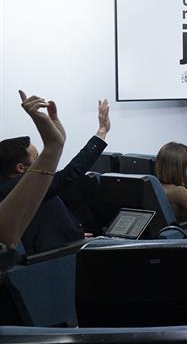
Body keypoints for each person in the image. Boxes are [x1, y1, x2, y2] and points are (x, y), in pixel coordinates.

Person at [0, 97, 111, 254]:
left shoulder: (7, 188)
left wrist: (73, 237)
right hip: (55, 259)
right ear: (20, 168)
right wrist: (102, 132)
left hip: (65, 245)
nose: (44, 161)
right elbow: (71, 173)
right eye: (38, 158)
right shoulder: (21, 188)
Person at [1, 91, 67, 265]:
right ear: (20, 168)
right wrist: (54, 147)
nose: (40, 163)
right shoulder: (14, 188)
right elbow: (68, 176)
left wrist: (56, 146)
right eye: (37, 158)